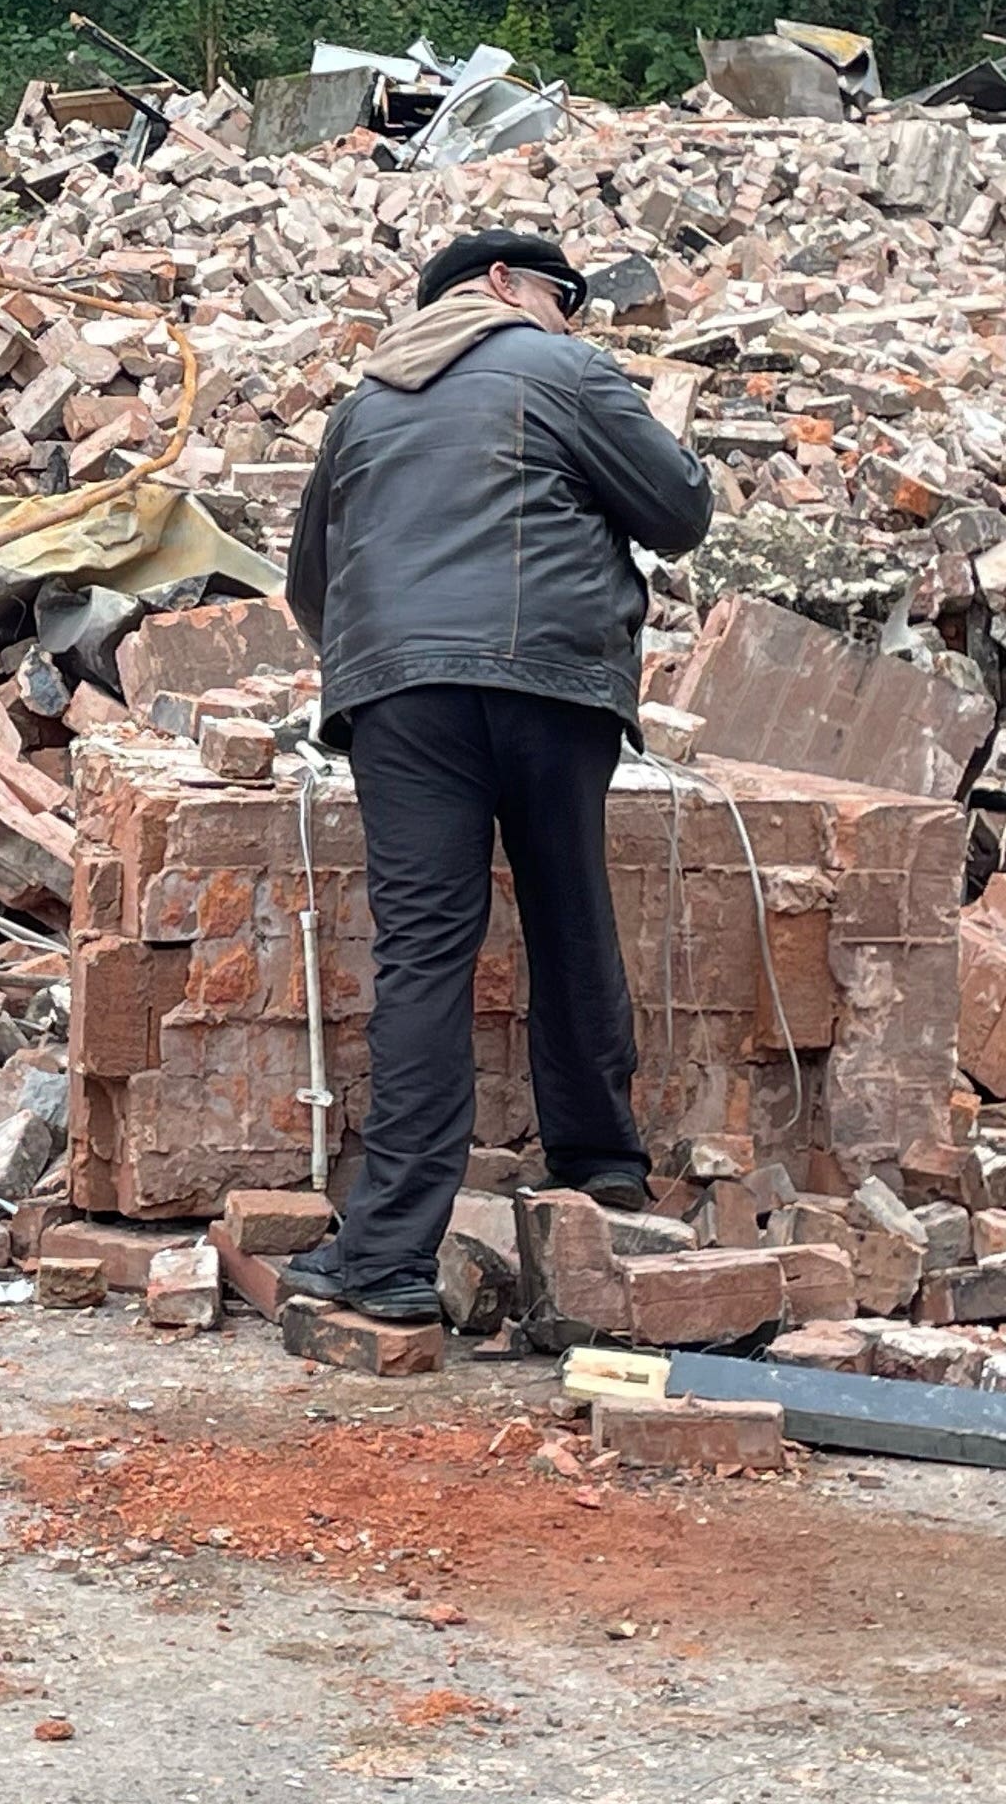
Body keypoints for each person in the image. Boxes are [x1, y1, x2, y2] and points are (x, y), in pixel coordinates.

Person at [276, 229, 716, 1323]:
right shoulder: (558, 366)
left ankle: (384, 1260)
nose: (570, 314)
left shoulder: (362, 407)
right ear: (505, 287)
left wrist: (387, 671)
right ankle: (601, 1164)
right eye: (563, 295)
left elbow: (308, 585)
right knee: (570, 909)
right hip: (554, 682)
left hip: (397, 699)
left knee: (424, 952)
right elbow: (679, 512)